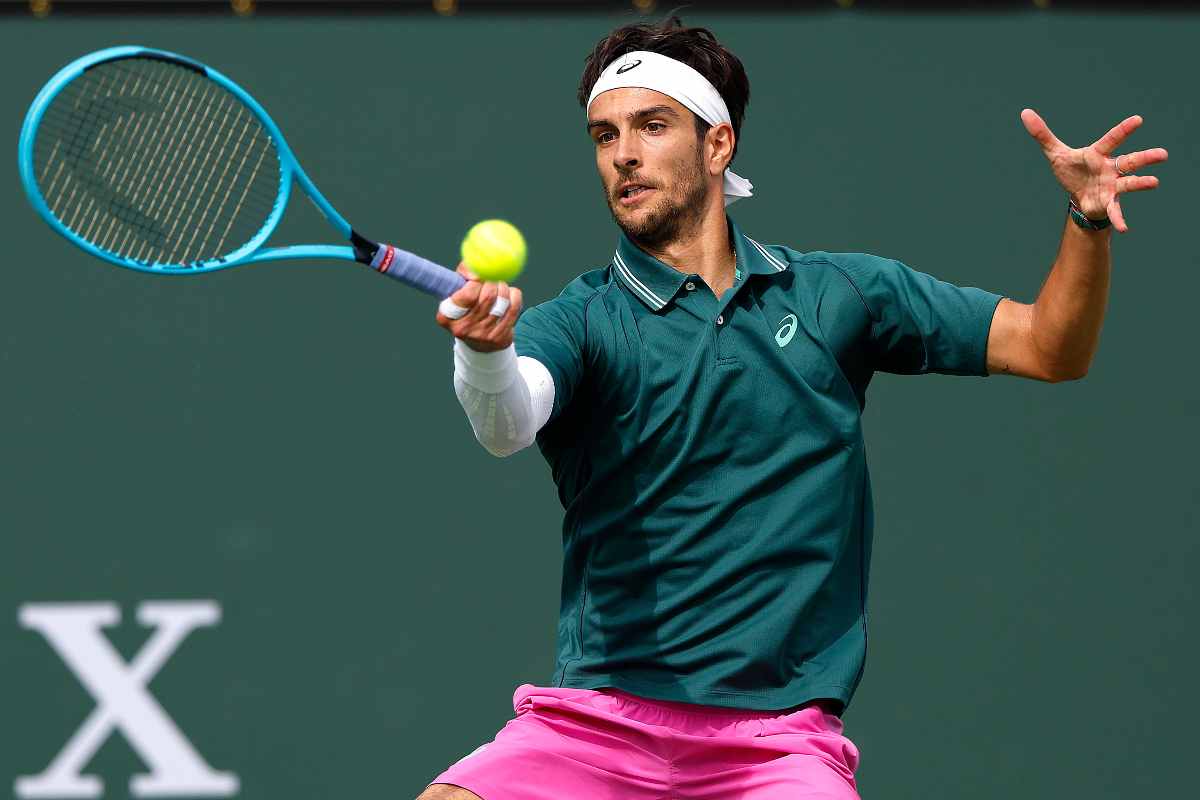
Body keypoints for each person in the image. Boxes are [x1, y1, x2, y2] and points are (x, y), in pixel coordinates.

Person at [417, 16, 1166, 800]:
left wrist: (1086, 222)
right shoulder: (578, 320)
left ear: (718, 145)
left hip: (775, 748)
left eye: (652, 125)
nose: (624, 154)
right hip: (594, 727)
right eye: (605, 136)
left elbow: (1052, 348)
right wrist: (484, 350)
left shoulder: (840, 296)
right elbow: (507, 423)